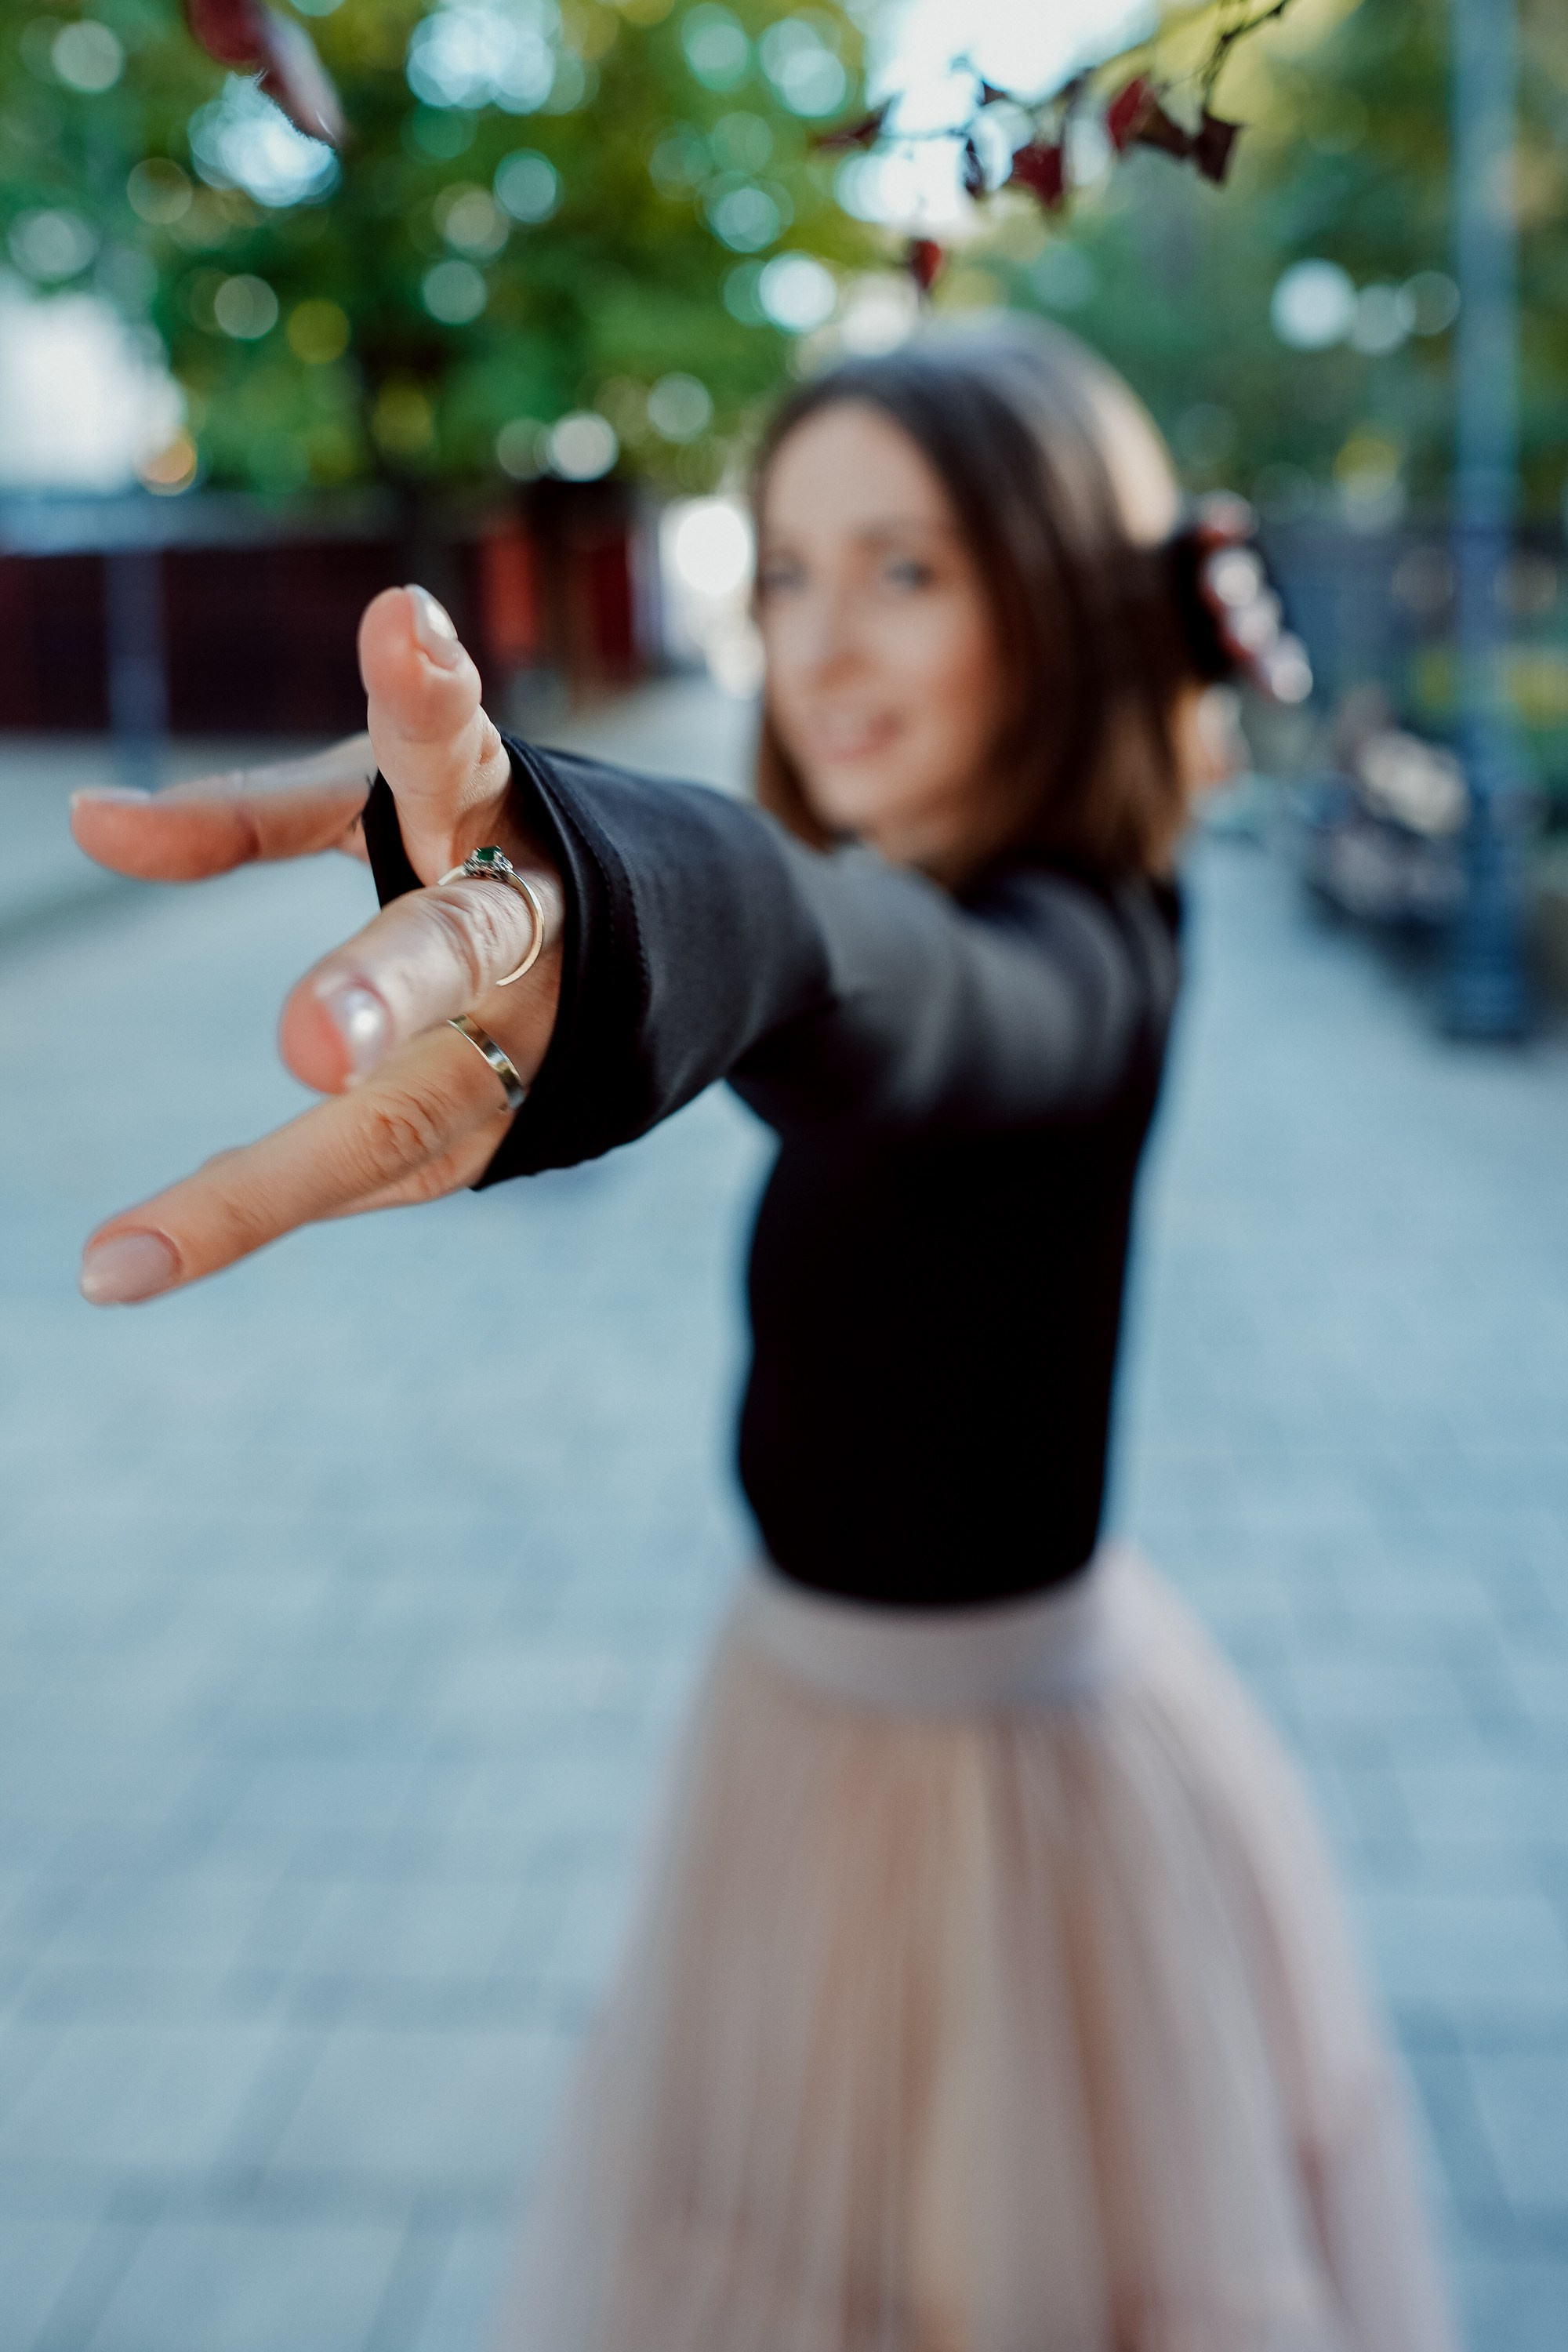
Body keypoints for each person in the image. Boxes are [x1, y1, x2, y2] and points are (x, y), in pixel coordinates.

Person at [72, 318, 1454, 2351]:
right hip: (797, 1726)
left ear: (1068, 596)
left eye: (908, 567)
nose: (826, 641)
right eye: (789, 573)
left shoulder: (1093, 940)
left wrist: (653, 899)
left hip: (987, 1815)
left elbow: (876, 969)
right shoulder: (966, 881)